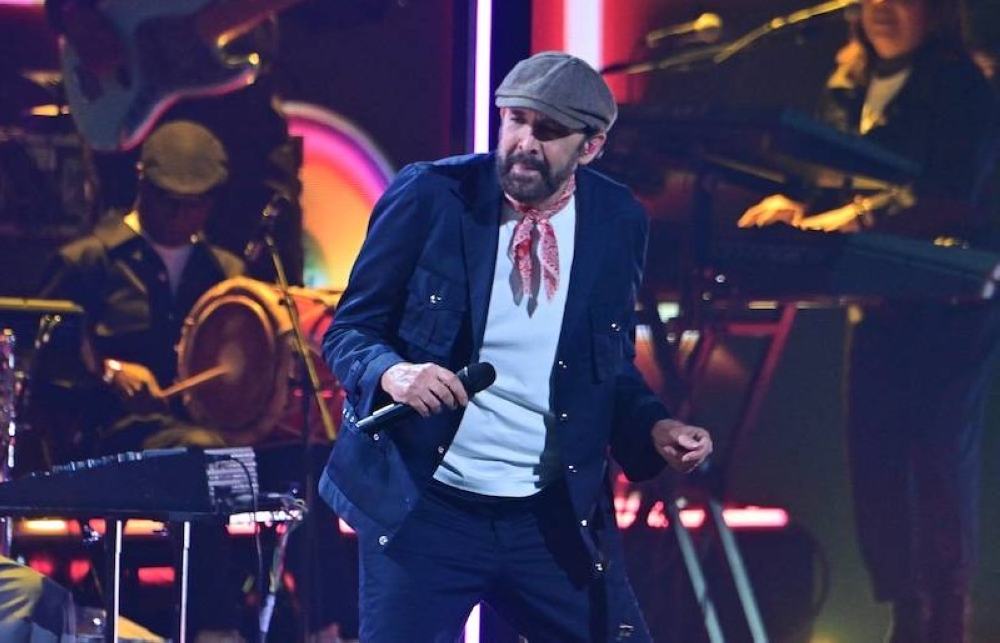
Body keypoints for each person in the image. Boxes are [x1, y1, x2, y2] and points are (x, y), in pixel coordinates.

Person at [320, 51, 713, 642]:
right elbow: (350, 331)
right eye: (515, 121)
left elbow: (607, 370)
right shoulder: (432, 195)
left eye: (549, 131)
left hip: (548, 515)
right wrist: (394, 374)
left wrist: (654, 427)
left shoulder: (617, 221)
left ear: (592, 146)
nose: (525, 142)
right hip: (428, 508)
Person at [737, 1, 999, 641]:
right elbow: (828, 180)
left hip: (949, 303)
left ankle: (945, 616)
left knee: (935, 455)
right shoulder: (846, 79)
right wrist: (793, 201)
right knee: (875, 458)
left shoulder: (959, 81)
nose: (882, 7)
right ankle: (905, 611)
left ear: (935, 12)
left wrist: (847, 222)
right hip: (876, 300)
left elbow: (949, 195)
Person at [37, 120, 247, 643]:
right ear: (142, 186)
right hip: (110, 439)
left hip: (202, 437)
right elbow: (43, 368)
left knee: (307, 456)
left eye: (195, 204)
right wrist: (107, 371)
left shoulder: (223, 273)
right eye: (170, 202)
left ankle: (327, 629)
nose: (181, 216)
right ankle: (215, 627)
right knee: (203, 457)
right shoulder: (89, 262)